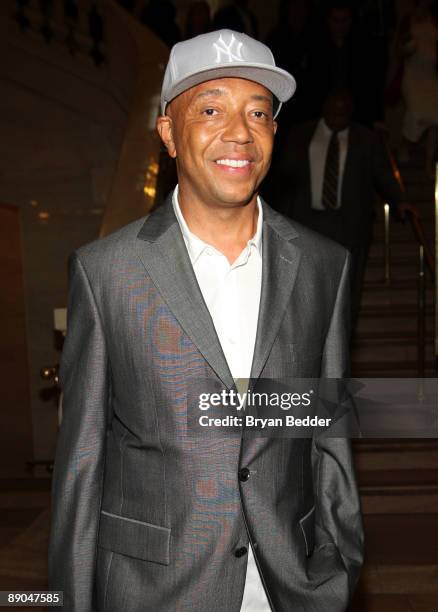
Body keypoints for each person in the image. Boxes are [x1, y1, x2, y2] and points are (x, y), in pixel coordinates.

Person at [48, 29, 364, 611]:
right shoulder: (105, 272)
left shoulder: (325, 266)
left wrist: (337, 569)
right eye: (211, 109)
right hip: (153, 591)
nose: (238, 133)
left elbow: (329, 441)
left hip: (289, 587)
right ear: (169, 133)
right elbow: (82, 463)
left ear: (274, 130)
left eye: (259, 113)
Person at [267, 89, 417, 329]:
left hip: (349, 226)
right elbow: (281, 172)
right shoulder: (300, 134)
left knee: (347, 291)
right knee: (305, 287)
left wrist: (400, 200)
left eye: (344, 110)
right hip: (306, 222)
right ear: (324, 107)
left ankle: (342, 342)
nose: (338, 114)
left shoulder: (366, 139)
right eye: (334, 109)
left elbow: (383, 174)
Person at [398, 0, 438, 176]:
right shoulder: (408, 19)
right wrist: (409, 47)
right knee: (415, 114)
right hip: (413, 74)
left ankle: (429, 162)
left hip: (430, 75)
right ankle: (404, 146)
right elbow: (399, 47)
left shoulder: (434, 19)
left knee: (436, 118)